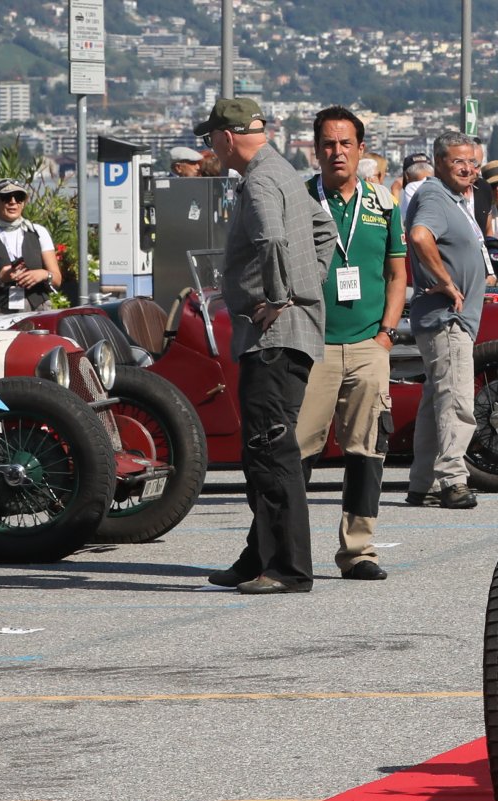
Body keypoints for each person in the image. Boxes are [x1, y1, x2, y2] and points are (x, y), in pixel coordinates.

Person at [196, 96, 336, 595]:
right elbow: (325, 229)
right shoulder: (284, 172)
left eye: (211, 138)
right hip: (293, 332)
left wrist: (280, 297)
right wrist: (309, 284)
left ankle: (286, 568)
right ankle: (258, 555)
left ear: (226, 137)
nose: (211, 147)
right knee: (267, 448)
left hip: (273, 336)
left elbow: (272, 240)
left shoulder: (258, 181)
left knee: (269, 450)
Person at [293, 106, 405, 583]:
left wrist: (386, 336)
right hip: (311, 345)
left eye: (345, 144)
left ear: (361, 150)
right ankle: (285, 551)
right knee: (295, 453)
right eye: (328, 144)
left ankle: (358, 551)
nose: (337, 152)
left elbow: (397, 274)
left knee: (367, 452)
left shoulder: (383, 205)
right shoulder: (298, 200)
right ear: (315, 151)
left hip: (367, 347)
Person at [403, 130, 489, 510]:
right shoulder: (436, 195)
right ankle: (453, 481)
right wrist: (447, 281)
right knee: (456, 401)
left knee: (434, 401)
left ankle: (421, 483)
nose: (468, 169)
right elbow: (420, 236)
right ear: (439, 163)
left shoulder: (452, 198)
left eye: (473, 162)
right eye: (459, 162)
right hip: (447, 319)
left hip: (447, 318)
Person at [0, 178, 63, 316]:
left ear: (23, 203)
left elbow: (57, 280)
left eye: (18, 197)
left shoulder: (38, 232)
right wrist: (0, 278)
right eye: (6, 197)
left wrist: (43, 274)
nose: (13, 202)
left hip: (38, 311)